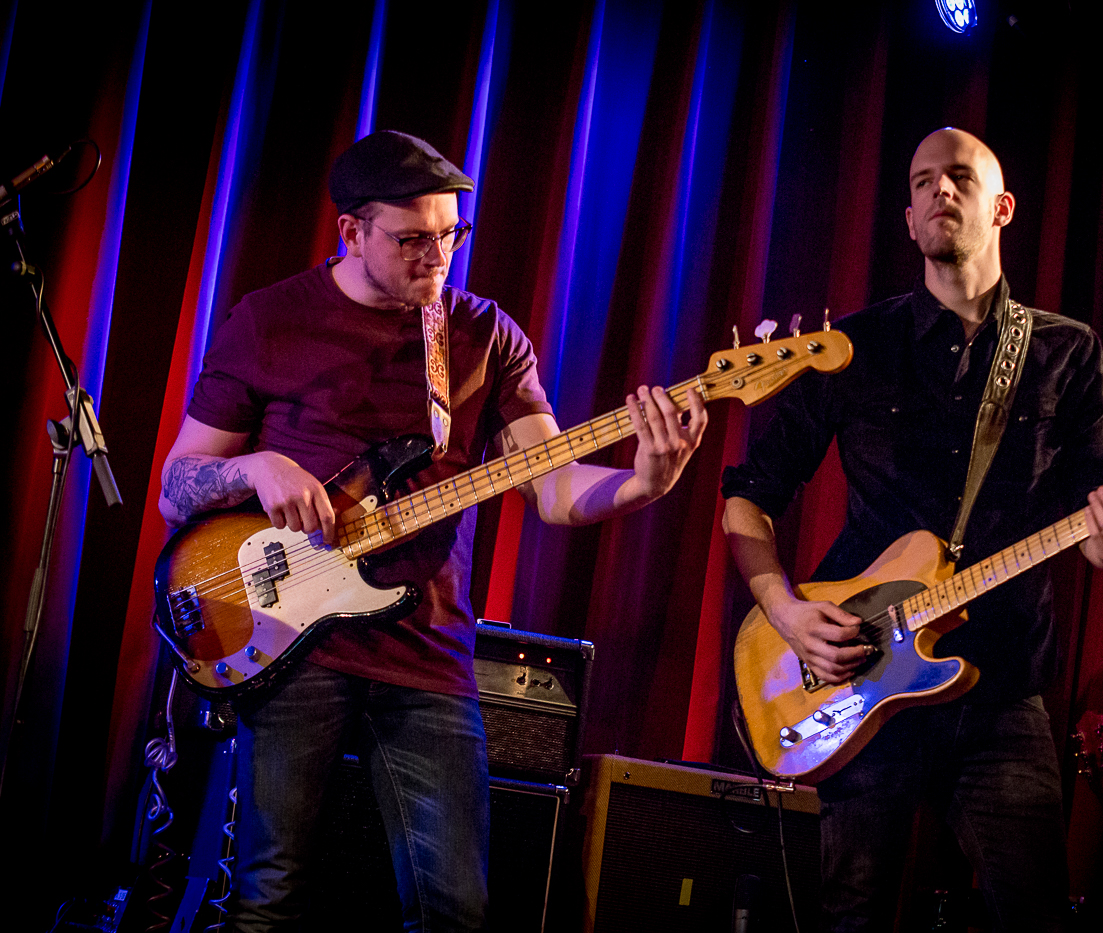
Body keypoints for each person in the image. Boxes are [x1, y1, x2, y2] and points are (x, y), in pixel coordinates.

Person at [157, 130, 707, 931]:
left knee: (459, 907)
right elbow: (178, 486)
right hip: (290, 642)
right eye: (414, 239)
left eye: (452, 234)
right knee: (269, 895)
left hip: (428, 649)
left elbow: (553, 486)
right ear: (352, 231)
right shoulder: (271, 319)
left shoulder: (484, 335)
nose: (438, 256)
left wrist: (646, 480)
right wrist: (259, 468)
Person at [720, 127, 1103, 931]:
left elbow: (1096, 502)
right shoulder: (852, 348)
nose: (939, 191)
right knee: (851, 917)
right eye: (923, 182)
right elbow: (749, 494)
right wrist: (786, 611)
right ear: (908, 219)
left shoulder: (1067, 352)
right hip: (857, 675)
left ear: (1003, 207)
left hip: (1000, 685)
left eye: (959, 177)